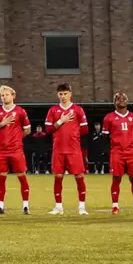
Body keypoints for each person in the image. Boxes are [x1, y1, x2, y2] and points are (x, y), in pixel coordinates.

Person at [45, 83, 89, 215]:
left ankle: (82, 207)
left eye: (65, 93)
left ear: (70, 94)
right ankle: (58, 206)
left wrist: (78, 143)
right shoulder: (53, 110)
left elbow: (84, 130)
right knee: (58, 177)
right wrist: (61, 121)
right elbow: (48, 129)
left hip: (74, 150)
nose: (63, 96)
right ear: (57, 95)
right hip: (58, 150)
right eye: (61, 94)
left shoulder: (78, 110)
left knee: (79, 177)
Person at [0, 86, 31, 215]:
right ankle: (0, 206)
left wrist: (16, 139)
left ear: (13, 96)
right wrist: (2, 124)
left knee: (21, 176)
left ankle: (26, 206)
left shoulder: (20, 111)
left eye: (7, 95)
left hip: (16, 150)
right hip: (2, 150)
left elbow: (27, 129)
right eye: (2, 95)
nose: (4, 97)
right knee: (1, 177)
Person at [104, 93, 133, 215]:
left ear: (127, 101)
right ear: (114, 102)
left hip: (131, 152)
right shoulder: (109, 118)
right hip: (117, 152)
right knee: (116, 178)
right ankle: (115, 206)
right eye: (118, 99)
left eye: (124, 99)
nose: (121, 100)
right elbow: (106, 136)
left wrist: (129, 144)